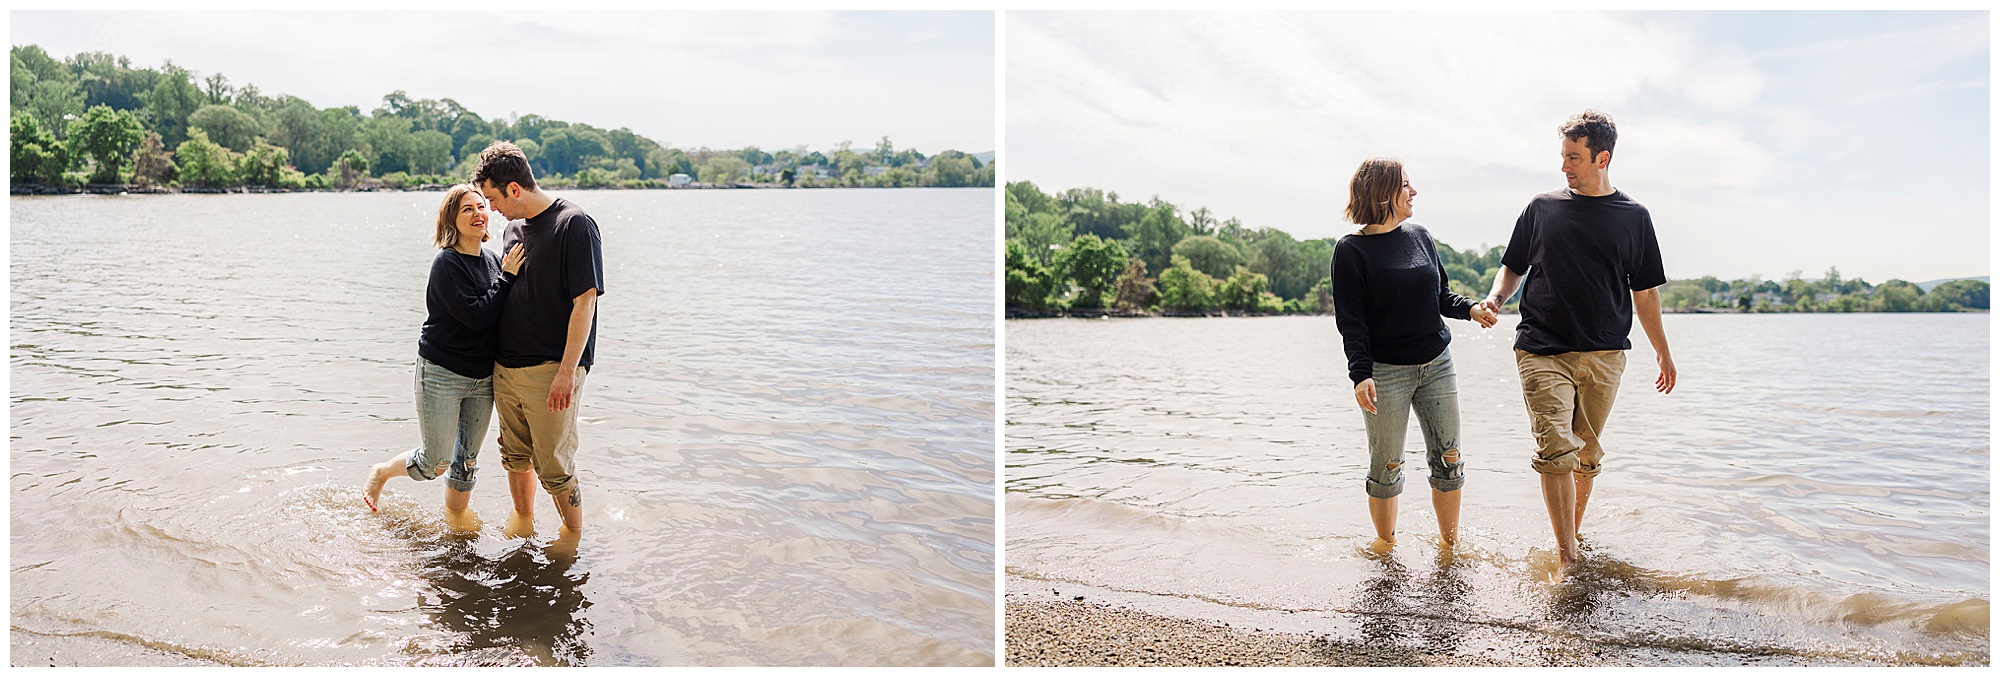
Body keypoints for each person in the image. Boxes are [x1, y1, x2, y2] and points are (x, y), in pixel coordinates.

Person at [1477, 110, 1676, 569]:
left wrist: (1663, 353)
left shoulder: (1634, 217)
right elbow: (1513, 265)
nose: (1565, 166)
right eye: (1562, 156)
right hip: (1541, 348)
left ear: (1602, 158)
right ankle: (1567, 559)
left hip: (1605, 353)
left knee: (1585, 453)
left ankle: (1572, 539)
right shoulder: (1542, 208)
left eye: (1574, 157)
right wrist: (1496, 298)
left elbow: (1644, 294)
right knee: (1556, 450)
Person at [1332, 158, 1498, 552]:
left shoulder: (1420, 235)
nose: (1414, 192)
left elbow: (1441, 295)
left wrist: (1471, 309)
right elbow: (1351, 322)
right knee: (1387, 465)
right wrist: (1361, 374)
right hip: (1385, 373)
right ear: (1384, 193)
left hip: (1437, 364)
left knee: (1449, 458)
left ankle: (1449, 548)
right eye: (1406, 185)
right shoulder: (1351, 251)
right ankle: (1386, 548)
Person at [470, 141, 605, 542]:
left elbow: (586, 303)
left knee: (554, 465)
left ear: (514, 189)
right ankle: (523, 523)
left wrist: (567, 372)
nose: (490, 210)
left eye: (493, 198)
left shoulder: (574, 224)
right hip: (506, 367)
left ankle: (573, 538)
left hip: (551, 369)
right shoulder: (513, 227)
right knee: (513, 455)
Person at [364, 185, 526, 519]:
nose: (478, 214)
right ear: (451, 219)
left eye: (481, 206)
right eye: (467, 209)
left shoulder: (495, 260)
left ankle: (454, 525)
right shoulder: (447, 264)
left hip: (483, 378)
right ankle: (380, 472)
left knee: (466, 462)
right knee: (434, 462)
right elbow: (476, 316)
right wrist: (508, 279)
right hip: (442, 373)